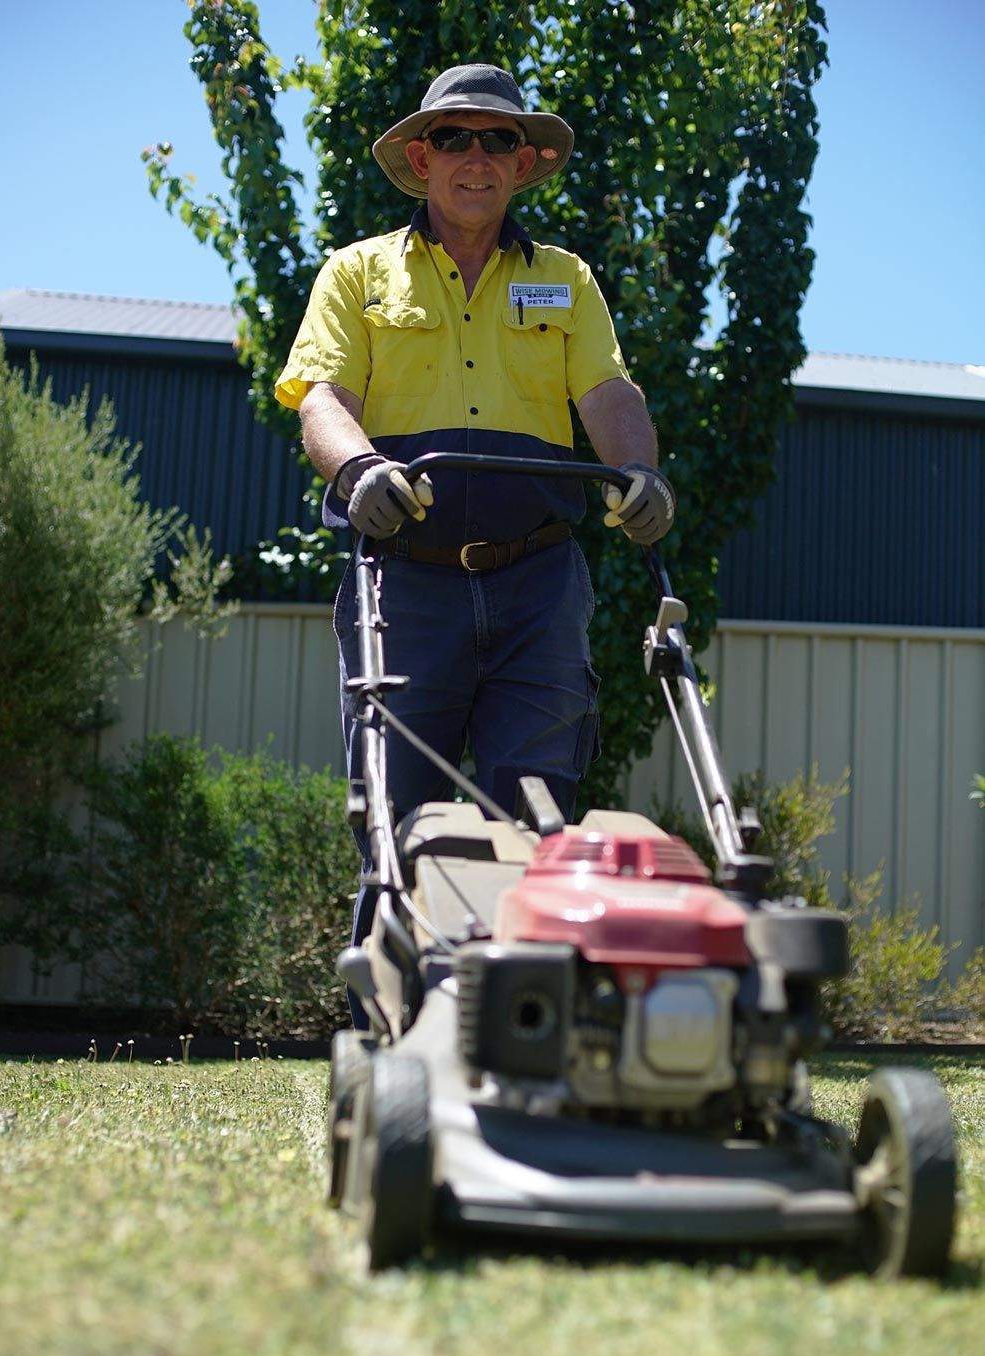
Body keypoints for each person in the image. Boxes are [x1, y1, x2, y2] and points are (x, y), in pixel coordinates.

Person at [274, 63, 676, 1025]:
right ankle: (391, 1027)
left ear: (525, 163)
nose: (477, 157)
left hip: (540, 581)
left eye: (500, 140)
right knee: (395, 809)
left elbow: (611, 398)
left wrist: (643, 473)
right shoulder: (358, 272)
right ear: (423, 157)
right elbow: (323, 398)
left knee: (535, 803)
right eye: (456, 137)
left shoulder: (564, 281)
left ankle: (513, 1027)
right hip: (404, 581)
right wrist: (355, 468)